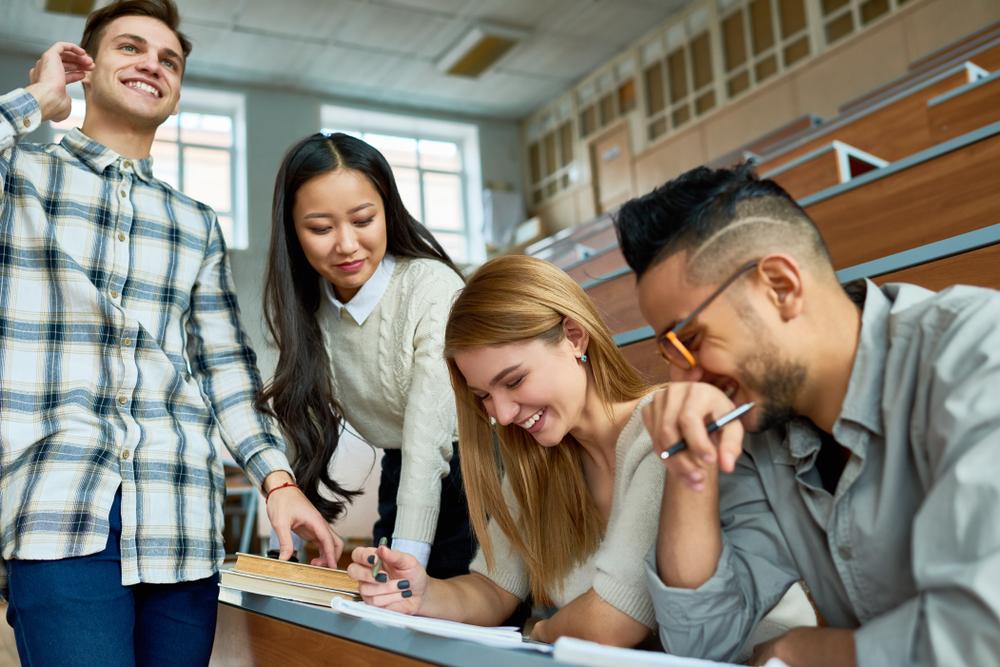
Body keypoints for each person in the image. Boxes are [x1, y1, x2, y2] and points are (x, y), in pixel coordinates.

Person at [0, 2, 339, 665]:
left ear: (177, 92)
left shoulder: (196, 223)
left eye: (170, 60)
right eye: (130, 48)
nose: (152, 64)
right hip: (59, 509)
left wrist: (277, 480)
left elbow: (225, 367)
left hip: (182, 514)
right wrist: (36, 99)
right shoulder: (23, 179)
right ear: (88, 68)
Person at [614, 162, 1000, 666]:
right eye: (669, 356)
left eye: (688, 343)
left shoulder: (977, 354)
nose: (685, 381)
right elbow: (702, 640)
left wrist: (801, 651)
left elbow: (977, 639)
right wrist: (693, 461)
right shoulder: (756, 430)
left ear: (780, 286)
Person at [338, 254, 661, 647]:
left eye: (515, 380)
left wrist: (541, 632)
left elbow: (614, 620)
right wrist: (420, 592)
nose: (503, 416)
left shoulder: (658, 430)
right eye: (484, 396)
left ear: (574, 337)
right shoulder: (539, 461)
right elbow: (493, 590)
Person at [259, 132, 475, 578]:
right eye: (320, 228)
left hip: (481, 474)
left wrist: (407, 561)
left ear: (388, 213)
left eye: (363, 220)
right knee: (380, 610)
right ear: (293, 232)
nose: (346, 245)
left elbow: (427, 441)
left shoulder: (431, 289)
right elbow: (304, 424)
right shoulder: (308, 309)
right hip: (402, 472)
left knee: (428, 604)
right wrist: (295, 542)